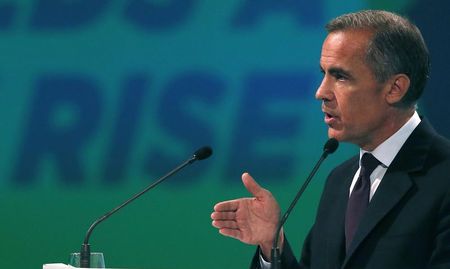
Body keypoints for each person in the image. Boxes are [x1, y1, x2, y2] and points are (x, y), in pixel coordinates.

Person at [211, 10, 450, 269]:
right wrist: (272, 245)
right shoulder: (340, 180)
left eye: (340, 76)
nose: (321, 92)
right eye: (323, 73)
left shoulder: (443, 178)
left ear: (394, 89)